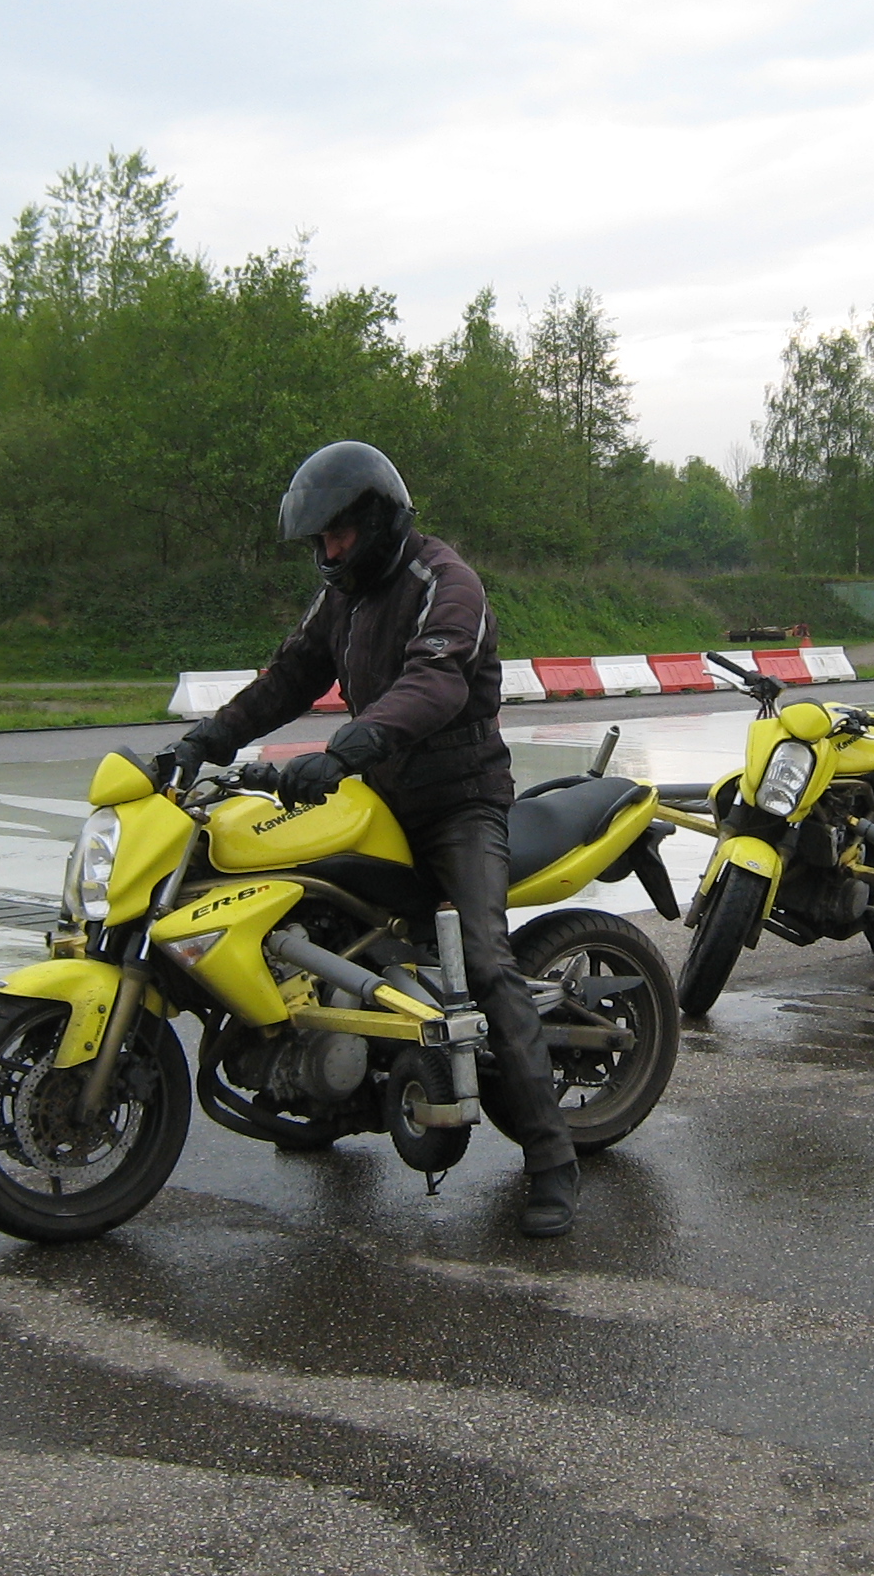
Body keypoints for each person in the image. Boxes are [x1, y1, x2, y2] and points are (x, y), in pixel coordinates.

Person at [167, 442, 583, 1237]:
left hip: (458, 804)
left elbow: (435, 682)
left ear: (378, 521)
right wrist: (202, 743)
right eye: (318, 540)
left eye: (337, 535)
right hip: (377, 794)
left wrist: (346, 748)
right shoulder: (345, 597)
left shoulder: (446, 584)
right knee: (312, 924)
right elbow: (290, 675)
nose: (327, 552)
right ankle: (322, 1096)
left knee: (486, 962)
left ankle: (552, 1159)